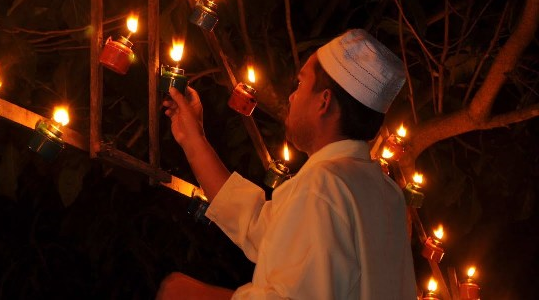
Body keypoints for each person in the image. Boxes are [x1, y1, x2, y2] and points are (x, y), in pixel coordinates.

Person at [156, 29, 417, 299]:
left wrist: (193, 295)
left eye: (301, 85)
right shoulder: (387, 195)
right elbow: (258, 224)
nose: (292, 96)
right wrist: (193, 138)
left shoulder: (324, 185)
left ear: (324, 101)